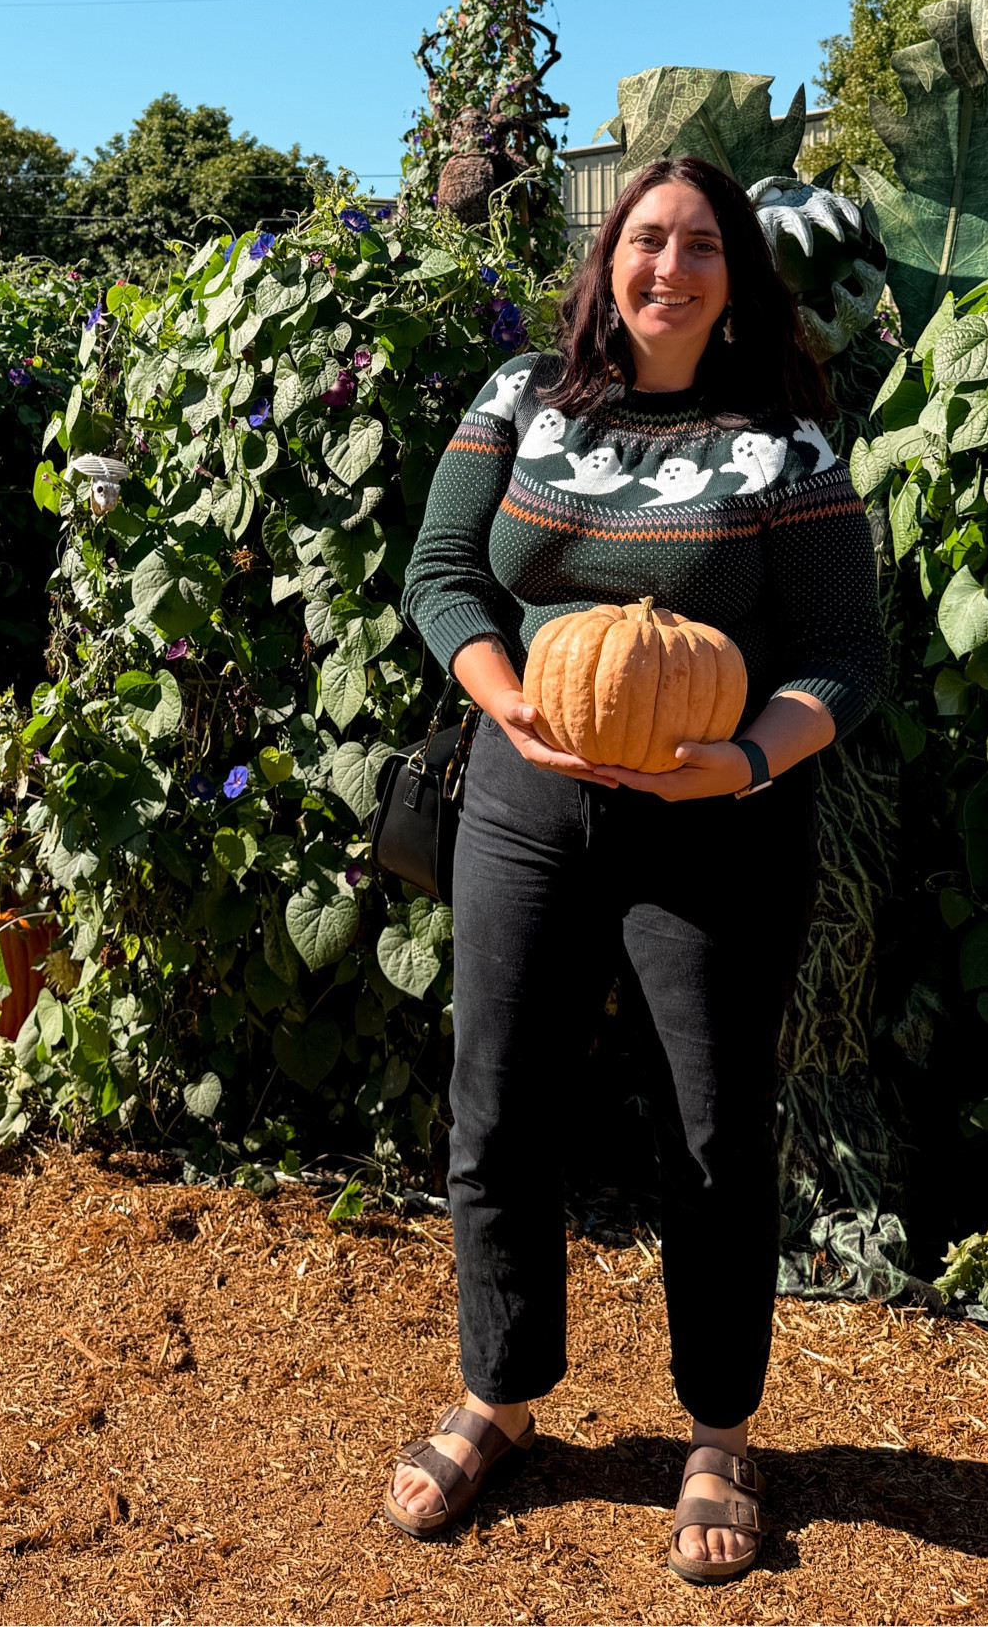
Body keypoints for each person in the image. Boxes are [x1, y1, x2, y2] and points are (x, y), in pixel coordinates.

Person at [389, 155, 886, 1584]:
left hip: (718, 819)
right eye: (648, 239)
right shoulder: (519, 400)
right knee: (499, 1106)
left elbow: (846, 657)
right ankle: (500, 1394)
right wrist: (508, 696)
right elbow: (442, 573)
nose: (670, 266)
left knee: (717, 1131)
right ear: (610, 259)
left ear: (737, 276)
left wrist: (738, 760)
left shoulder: (782, 442)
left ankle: (720, 1431)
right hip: (526, 800)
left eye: (702, 246)